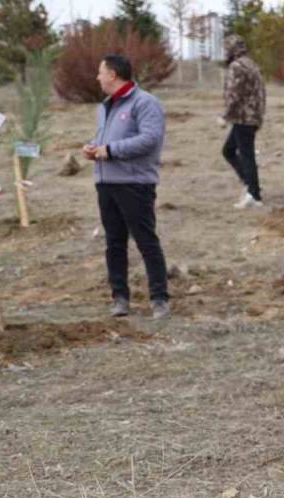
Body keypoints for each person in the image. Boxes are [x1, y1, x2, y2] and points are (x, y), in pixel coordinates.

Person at [83, 54, 170, 319]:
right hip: (106, 183)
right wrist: (93, 148)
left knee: (146, 241)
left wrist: (109, 151)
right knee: (114, 243)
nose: (97, 77)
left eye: (100, 72)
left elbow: (150, 139)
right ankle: (119, 298)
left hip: (134, 184)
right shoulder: (104, 107)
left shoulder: (145, 103)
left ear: (112, 74)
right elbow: (105, 138)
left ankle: (159, 299)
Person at [221, 34, 267, 209]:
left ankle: (253, 194)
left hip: (243, 117)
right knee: (229, 150)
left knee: (246, 155)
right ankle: (250, 185)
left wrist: (225, 116)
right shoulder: (251, 64)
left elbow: (234, 95)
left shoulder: (237, 66)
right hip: (253, 116)